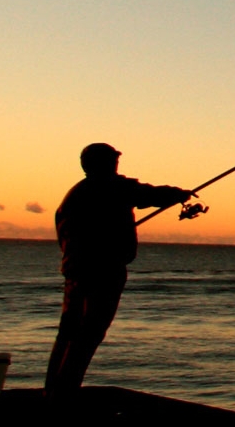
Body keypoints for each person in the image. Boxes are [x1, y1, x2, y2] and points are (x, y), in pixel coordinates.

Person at [45, 143, 194, 406]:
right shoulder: (110, 187)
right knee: (89, 332)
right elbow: (147, 194)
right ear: (102, 164)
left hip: (76, 272)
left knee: (68, 332)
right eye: (113, 160)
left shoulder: (75, 195)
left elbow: (66, 237)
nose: (116, 165)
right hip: (103, 271)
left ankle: (55, 392)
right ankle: (64, 396)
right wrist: (179, 194)